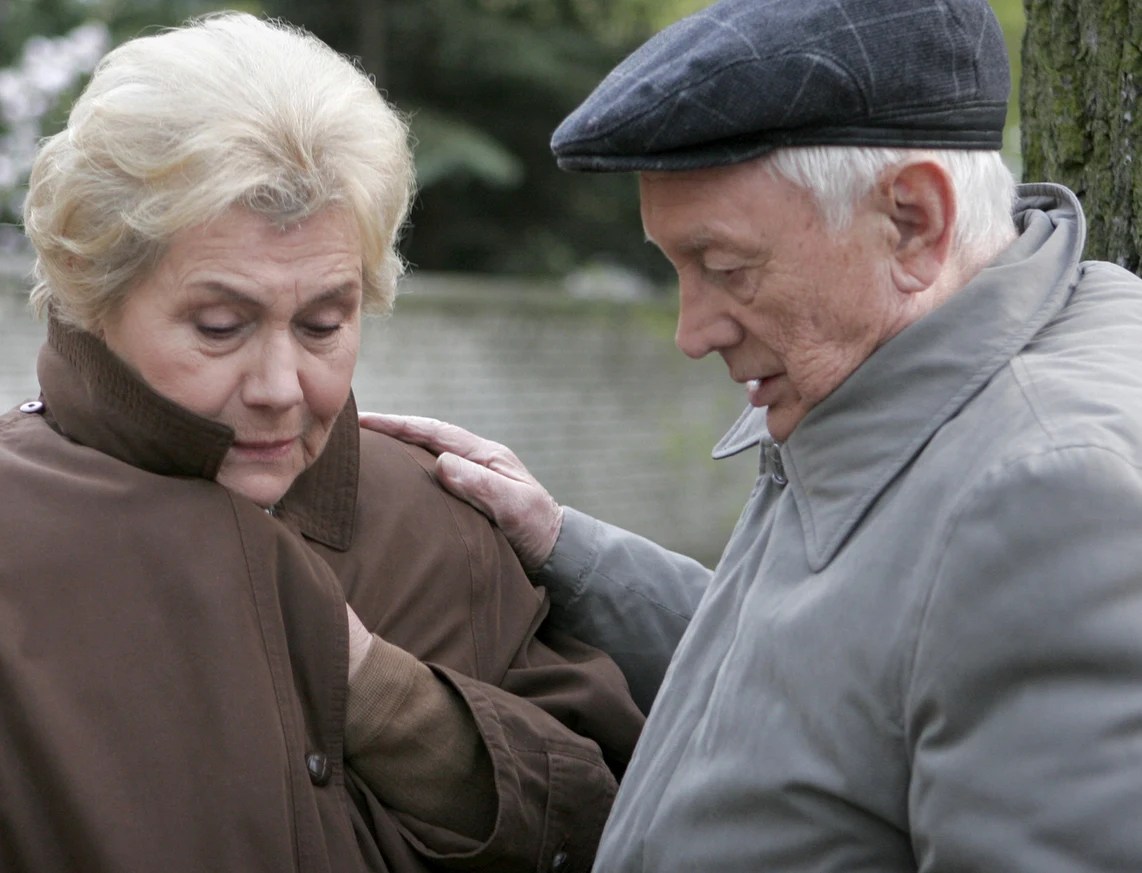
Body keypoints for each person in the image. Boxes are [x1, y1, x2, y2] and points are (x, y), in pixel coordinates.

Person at [0, 13, 643, 872]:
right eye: (221, 325)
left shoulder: (442, 519)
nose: (278, 386)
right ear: (94, 294)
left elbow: (623, 820)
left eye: (323, 323)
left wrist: (388, 701)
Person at [362, 0, 1142, 869]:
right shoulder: (911, 369)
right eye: (679, 270)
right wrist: (565, 545)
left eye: (727, 269)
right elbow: (833, 671)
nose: (692, 332)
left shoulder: (1050, 498)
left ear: (914, 220)